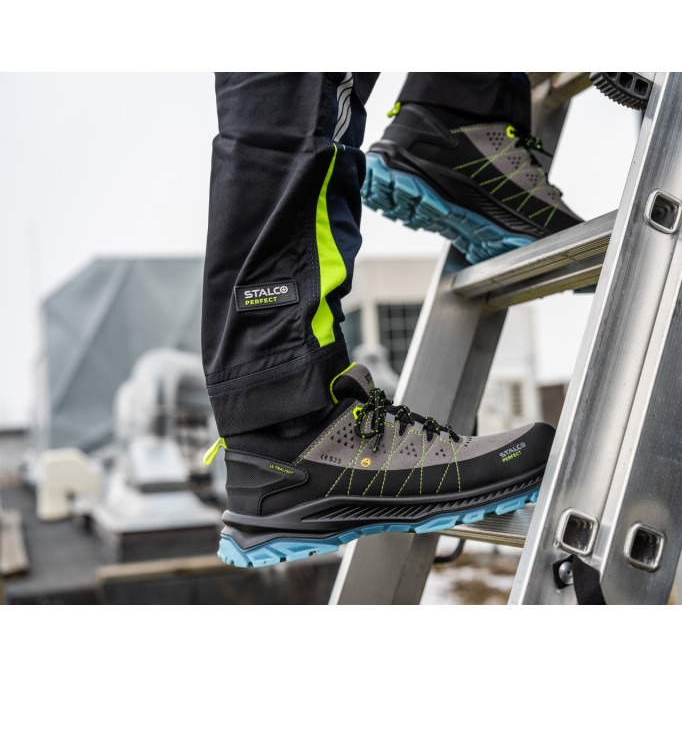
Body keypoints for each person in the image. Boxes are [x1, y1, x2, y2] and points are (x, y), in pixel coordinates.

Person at [202, 73, 582, 567]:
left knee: (289, 100)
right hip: (289, 431)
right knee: (294, 100)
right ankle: (293, 428)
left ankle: (456, 117)